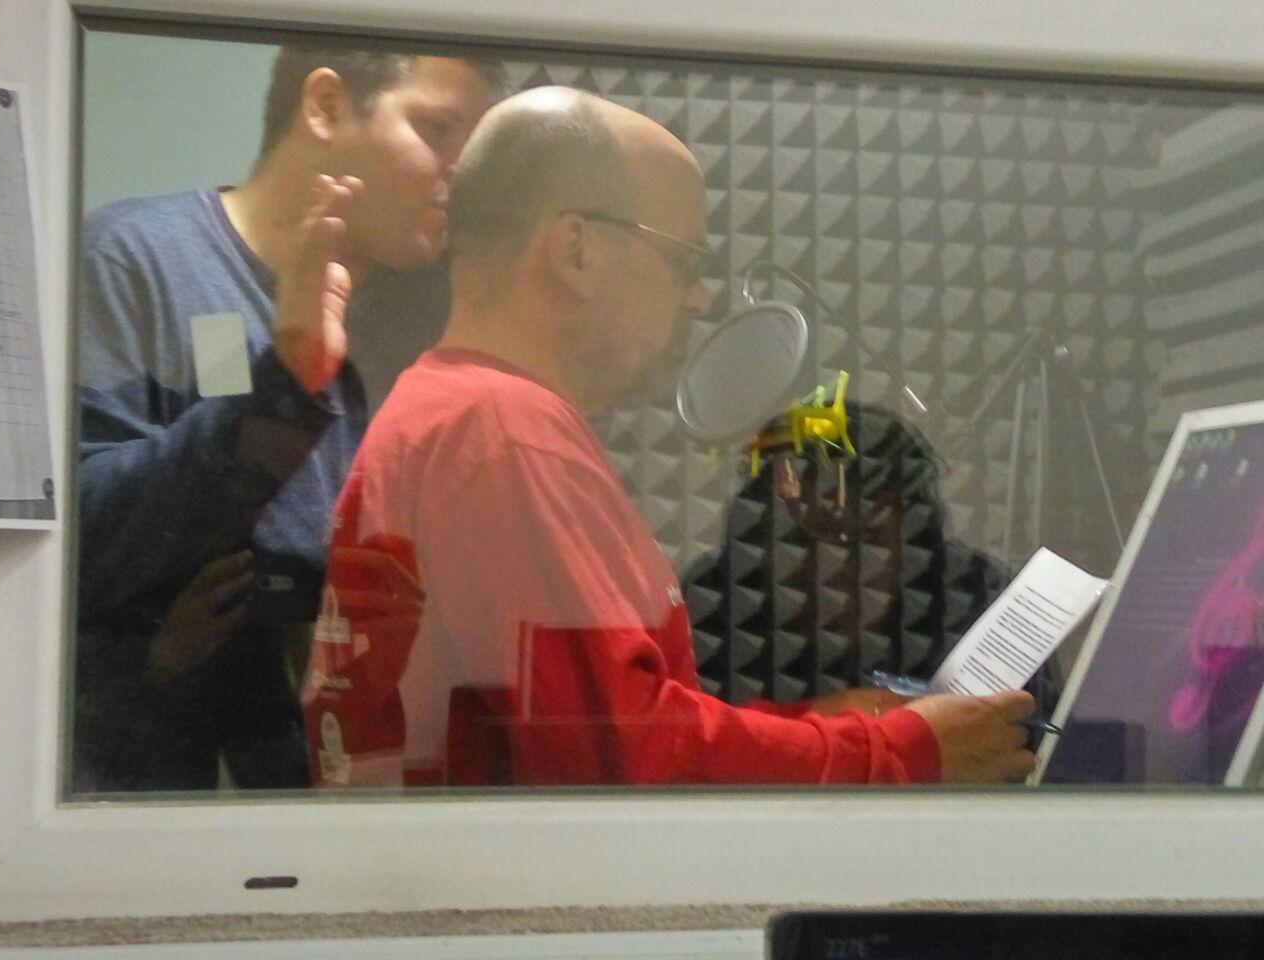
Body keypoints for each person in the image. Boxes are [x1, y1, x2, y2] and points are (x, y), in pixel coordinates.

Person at [299, 86, 1037, 788]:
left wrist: (823, 725)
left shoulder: (447, 412)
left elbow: (622, 729)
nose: (701, 298)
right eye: (684, 261)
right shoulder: (502, 434)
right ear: (576, 250)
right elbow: (626, 763)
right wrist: (901, 753)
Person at [72, 46, 500, 792]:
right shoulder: (135, 258)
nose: (458, 175)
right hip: (161, 808)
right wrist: (286, 379)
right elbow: (77, 540)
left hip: (339, 795)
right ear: (326, 107)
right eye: (437, 130)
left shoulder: (418, 316)